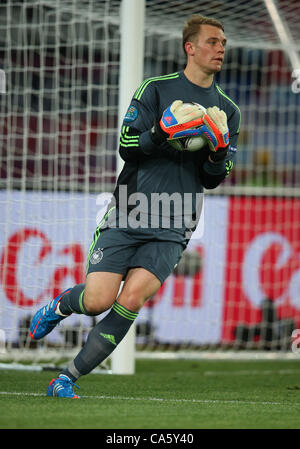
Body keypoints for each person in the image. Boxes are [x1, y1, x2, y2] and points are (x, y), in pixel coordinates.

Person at [29, 14, 241, 398]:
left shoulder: (228, 110)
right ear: (190, 47)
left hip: (176, 220)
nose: (221, 48)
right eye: (213, 41)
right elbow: (127, 147)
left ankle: (65, 379)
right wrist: (163, 130)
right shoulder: (155, 89)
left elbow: (213, 177)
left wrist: (220, 149)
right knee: (97, 301)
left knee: (131, 299)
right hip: (130, 208)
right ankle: (60, 305)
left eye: (223, 42)